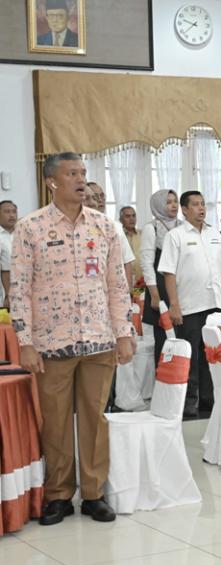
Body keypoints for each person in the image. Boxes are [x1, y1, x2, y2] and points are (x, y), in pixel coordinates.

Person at [11, 152, 134, 526]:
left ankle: (94, 494)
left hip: (100, 339)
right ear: (52, 181)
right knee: (56, 421)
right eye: (72, 174)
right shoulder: (30, 228)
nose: (81, 180)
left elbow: (117, 284)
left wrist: (123, 333)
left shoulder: (104, 226)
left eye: (83, 173)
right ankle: (59, 495)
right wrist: (26, 341)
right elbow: (18, 288)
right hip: (51, 344)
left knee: (95, 418)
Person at [158, 191, 221, 418]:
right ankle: (189, 402)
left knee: (213, 355)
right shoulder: (175, 236)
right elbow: (168, 273)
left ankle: (209, 400)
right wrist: (174, 305)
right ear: (185, 209)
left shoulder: (214, 235)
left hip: (215, 305)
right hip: (189, 306)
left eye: (203, 204)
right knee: (191, 356)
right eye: (195, 205)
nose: (201, 208)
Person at [140, 189, 182, 364]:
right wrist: (155, 295)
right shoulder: (152, 228)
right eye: (168, 202)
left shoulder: (183, 226)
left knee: (183, 338)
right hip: (160, 288)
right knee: (165, 339)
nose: (174, 205)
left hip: (181, 288)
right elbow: (147, 264)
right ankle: (164, 383)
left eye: (175, 201)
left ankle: (184, 384)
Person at [86, 183, 135, 291]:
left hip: (114, 289)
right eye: (95, 196)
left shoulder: (115, 226)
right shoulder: (79, 227)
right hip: (89, 288)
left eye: (102, 195)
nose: (100, 200)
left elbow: (127, 261)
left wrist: (129, 292)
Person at [119, 206, 142, 286]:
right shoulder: (118, 236)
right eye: (127, 216)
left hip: (142, 282)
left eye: (133, 216)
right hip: (125, 282)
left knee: (141, 298)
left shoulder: (143, 234)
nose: (131, 219)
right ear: (121, 220)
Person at [0, 200, 14, 307]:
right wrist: (8, 295)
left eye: (14, 211)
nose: (12, 215)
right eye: (7, 211)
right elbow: (5, 269)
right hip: (3, 297)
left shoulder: (22, 234)